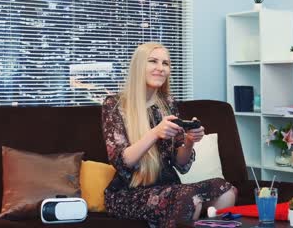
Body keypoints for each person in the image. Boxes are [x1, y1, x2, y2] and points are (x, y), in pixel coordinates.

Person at [101, 42, 237, 227]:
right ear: (139, 66)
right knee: (188, 198)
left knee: (225, 189)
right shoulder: (115, 105)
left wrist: (189, 142)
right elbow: (121, 161)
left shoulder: (168, 103)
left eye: (165, 63)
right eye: (153, 61)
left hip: (169, 186)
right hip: (128, 193)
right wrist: (155, 133)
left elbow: (180, 164)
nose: (161, 68)